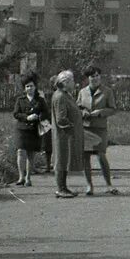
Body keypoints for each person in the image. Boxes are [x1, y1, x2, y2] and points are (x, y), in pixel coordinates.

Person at [77, 65, 119, 196]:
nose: (95, 78)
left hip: (100, 128)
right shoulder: (82, 92)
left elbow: (113, 109)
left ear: (100, 77)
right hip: (85, 128)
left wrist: (100, 112)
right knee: (86, 157)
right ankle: (89, 185)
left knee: (101, 155)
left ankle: (109, 184)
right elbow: (77, 106)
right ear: (87, 78)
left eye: (97, 76)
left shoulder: (107, 91)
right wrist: (82, 111)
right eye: (92, 76)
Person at [11, 73, 49, 187]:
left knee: (30, 154)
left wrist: (38, 116)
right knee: (20, 151)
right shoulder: (20, 99)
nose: (29, 88)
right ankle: (21, 177)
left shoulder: (40, 100)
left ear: (35, 87)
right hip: (22, 129)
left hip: (33, 129)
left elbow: (46, 113)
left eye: (31, 86)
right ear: (24, 88)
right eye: (27, 86)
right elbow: (16, 114)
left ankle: (28, 177)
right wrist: (26, 117)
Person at [49, 70, 82, 198]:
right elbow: (61, 118)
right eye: (72, 80)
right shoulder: (60, 96)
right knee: (61, 160)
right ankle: (60, 189)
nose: (74, 83)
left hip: (67, 134)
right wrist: (72, 126)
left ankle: (64, 187)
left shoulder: (65, 95)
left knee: (64, 159)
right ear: (65, 82)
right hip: (63, 134)